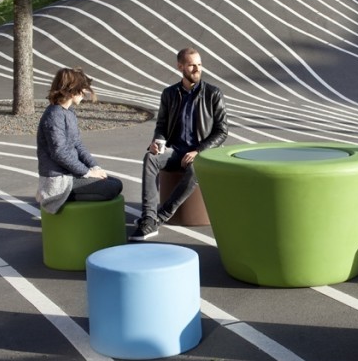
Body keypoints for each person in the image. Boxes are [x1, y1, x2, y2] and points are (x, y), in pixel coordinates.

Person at [131, 47, 228, 241]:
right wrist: (157, 142)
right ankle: (148, 217)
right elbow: (161, 126)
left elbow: (222, 130)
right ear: (180, 66)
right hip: (175, 150)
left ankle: (159, 217)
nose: (197, 69)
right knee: (150, 158)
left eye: (199, 65)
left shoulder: (213, 93)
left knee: (195, 170)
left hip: (201, 152)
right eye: (192, 65)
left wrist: (199, 150)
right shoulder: (169, 94)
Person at [36, 67, 123, 213]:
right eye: (83, 89)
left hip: (71, 174)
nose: (85, 93)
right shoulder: (54, 115)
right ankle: (58, 199)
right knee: (111, 188)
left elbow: (77, 144)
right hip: (59, 181)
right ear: (72, 90)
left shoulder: (68, 111)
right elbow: (59, 153)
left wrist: (94, 167)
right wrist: (87, 173)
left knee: (115, 183)